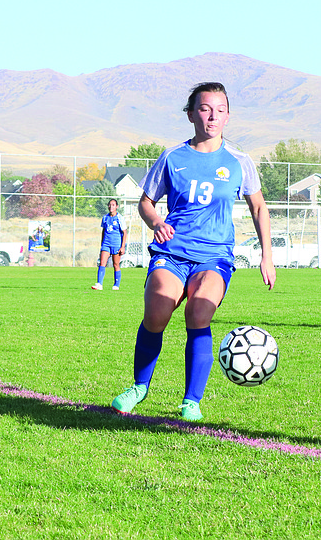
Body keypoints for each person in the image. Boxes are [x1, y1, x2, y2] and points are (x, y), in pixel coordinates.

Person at [111, 82, 276, 421]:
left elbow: (259, 208)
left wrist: (267, 255)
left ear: (228, 116)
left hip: (214, 256)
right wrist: (156, 221)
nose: (212, 115)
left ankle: (191, 402)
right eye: (204, 108)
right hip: (171, 253)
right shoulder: (173, 157)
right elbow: (146, 202)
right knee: (157, 314)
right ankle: (140, 387)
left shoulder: (239, 161)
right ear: (191, 114)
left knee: (199, 314)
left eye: (219, 109)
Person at [92, 199, 127, 291]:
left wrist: (122, 247)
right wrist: (102, 244)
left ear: (117, 207)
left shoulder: (120, 218)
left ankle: (116, 285)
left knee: (116, 264)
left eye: (113, 205)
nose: (111, 206)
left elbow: (124, 232)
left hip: (116, 244)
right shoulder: (105, 218)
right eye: (110, 205)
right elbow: (103, 231)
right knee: (102, 263)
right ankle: (99, 284)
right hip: (106, 244)